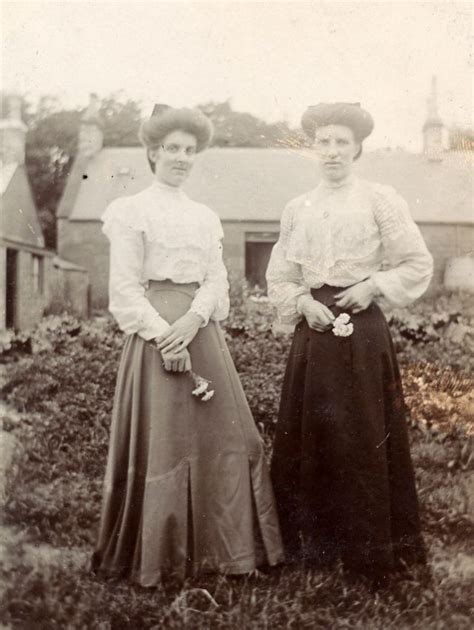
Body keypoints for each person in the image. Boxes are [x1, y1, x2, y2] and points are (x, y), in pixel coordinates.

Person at [92, 105, 283, 586]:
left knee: (229, 440)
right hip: (155, 336)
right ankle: (162, 557)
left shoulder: (204, 216)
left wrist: (195, 320)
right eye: (172, 149)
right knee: (168, 444)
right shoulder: (131, 211)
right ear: (153, 153)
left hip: (202, 335)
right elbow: (124, 290)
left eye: (189, 150)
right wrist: (165, 337)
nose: (181, 158)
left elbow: (216, 277)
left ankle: (230, 551)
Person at [266, 102, 433, 582]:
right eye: (324, 142)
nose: (333, 152)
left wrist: (373, 286)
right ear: (312, 148)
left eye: (342, 142)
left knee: (362, 434)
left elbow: (416, 264)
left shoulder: (379, 199)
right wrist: (301, 302)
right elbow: (280, 276)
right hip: (314, 333)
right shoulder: (298, 208)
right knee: (311, 433)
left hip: (362, 330)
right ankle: (311, 549)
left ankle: (369, 551)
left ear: (358, 147)